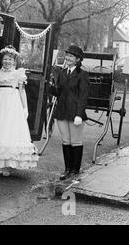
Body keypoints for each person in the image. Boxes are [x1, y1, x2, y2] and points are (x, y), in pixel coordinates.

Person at [0, 45, 39, 176]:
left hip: (12, 102)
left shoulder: (18, 73)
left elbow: (22, 92)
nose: (7, 62)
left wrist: (25, 108)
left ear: (14, 61)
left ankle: (8, 165)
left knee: (9, 130)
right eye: (5, 59)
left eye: (10, 59)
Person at [49, 45, 89, 180]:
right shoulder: (61, 72)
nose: (68, 58)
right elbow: (59, 93)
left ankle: (75, 170)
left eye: (71, 56)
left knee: (75, 141)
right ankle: (67, 169)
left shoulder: (82, 75)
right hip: (62, 112)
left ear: (78, 59)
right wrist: (49, 87)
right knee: (66, 141)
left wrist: (79, 114)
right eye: (67, 55)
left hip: (75, 113)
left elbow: (83, 96)